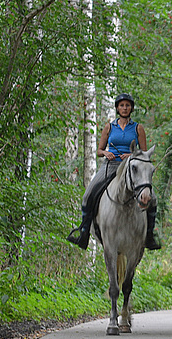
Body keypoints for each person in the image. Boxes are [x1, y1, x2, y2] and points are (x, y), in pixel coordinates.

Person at [66, 93, 162, 250]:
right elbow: (99, 150)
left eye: (127, 105)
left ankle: (149, 236)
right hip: (110, 165)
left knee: (153, 198)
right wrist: (105, 153)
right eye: (122, 105)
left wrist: (131, 155)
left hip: (131, 167)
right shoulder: (109, 127)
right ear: (117, 108)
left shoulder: (138, 128)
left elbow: (143, 153)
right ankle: (83, 234)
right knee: (88, 195)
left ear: (131, 108)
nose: (125, 108)